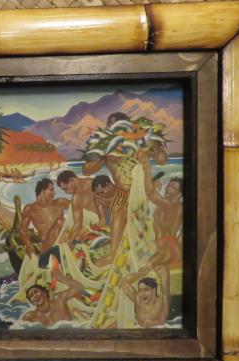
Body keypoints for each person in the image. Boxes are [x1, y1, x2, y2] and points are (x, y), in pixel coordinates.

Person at [83, 112, 167, 266]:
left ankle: (115, 255)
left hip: (142, 194)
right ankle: (113, 253)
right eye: (111, 126)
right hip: (121, 195)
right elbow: (86, 170)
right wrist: (103, 159)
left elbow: (162, 160)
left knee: (125, 214)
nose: (115, 129)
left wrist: (151, 144)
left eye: (119, 125)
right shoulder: (106, 145)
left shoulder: (139, 140)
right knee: (118, 210)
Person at [139, 154, 183, 270]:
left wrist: (147, 167)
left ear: (180, 194)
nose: (168, 189)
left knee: (142, 270)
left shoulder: (171, 205)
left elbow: (149, 194)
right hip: (163, 248)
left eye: (173, 188)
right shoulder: (165, 206)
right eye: (168, 186)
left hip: (168, 250)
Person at [20, 178, 71, 269]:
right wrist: (28, 245)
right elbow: (23, 230)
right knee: (60, 222)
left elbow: (79, 208)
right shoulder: (30, 209)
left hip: (64, 244)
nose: (54, 193)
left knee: (63, 223)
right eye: (51, 190)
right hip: (48, 249)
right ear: (42, 192)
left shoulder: (60, 203)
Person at [22, 261, 84, 326]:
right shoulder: (30, 317)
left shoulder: (59, 300)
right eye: (31, 296)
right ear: (32, 303)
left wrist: (62, 278)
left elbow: (79, 288)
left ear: (45, 292)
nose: (34, 295)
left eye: (36, 292)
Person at [56, 170, 98, 242]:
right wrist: (69, 240)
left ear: (72, 180)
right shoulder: (76, 198)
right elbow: (78, 224)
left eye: (66, 188)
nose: (66, 192)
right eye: (64, 190)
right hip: (92, 224)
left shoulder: (92, 183)